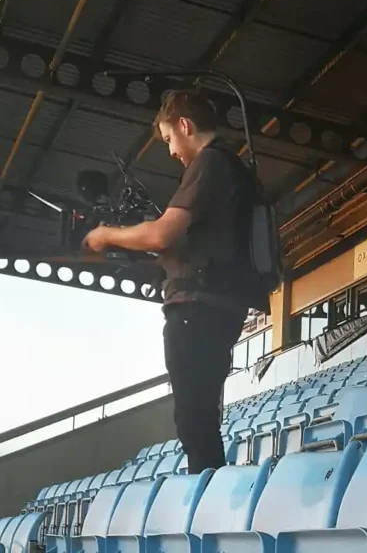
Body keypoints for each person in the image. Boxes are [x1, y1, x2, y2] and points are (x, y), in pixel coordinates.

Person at [81, 89, 269, 474]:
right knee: (199, 415)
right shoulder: (234, 170)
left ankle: (206, 507)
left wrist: (106, 235)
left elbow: (160, 235)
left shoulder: (210, 164)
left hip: (199, 307)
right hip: (220, 305)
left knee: (193, 418)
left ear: (185, 125)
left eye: (169, 139)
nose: (170, 151)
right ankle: (207, 499)